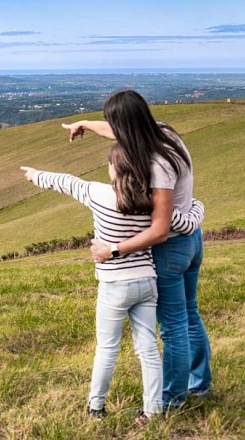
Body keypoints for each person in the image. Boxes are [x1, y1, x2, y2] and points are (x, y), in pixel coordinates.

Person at [20, 142, 204, 424]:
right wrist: (198, 208)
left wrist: (35, 175)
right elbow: (179, 223)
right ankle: (153, 409)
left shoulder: (99, 193)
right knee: (148, 348)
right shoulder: (150, 200)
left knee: (107, 346)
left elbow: (67, 182)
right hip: (146, 281)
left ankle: (96, 406)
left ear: (112, 169)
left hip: (114, 284)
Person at [62, 89, 212, 410]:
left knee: (173, 327)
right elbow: (119, 130)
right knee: (189, 314)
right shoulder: (166, 133)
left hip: (171, 248)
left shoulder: (156, 164)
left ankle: (171, 400)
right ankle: (199, 385)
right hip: (192, 241)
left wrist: (112, 250)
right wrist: (86, 123)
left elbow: (159, 230)